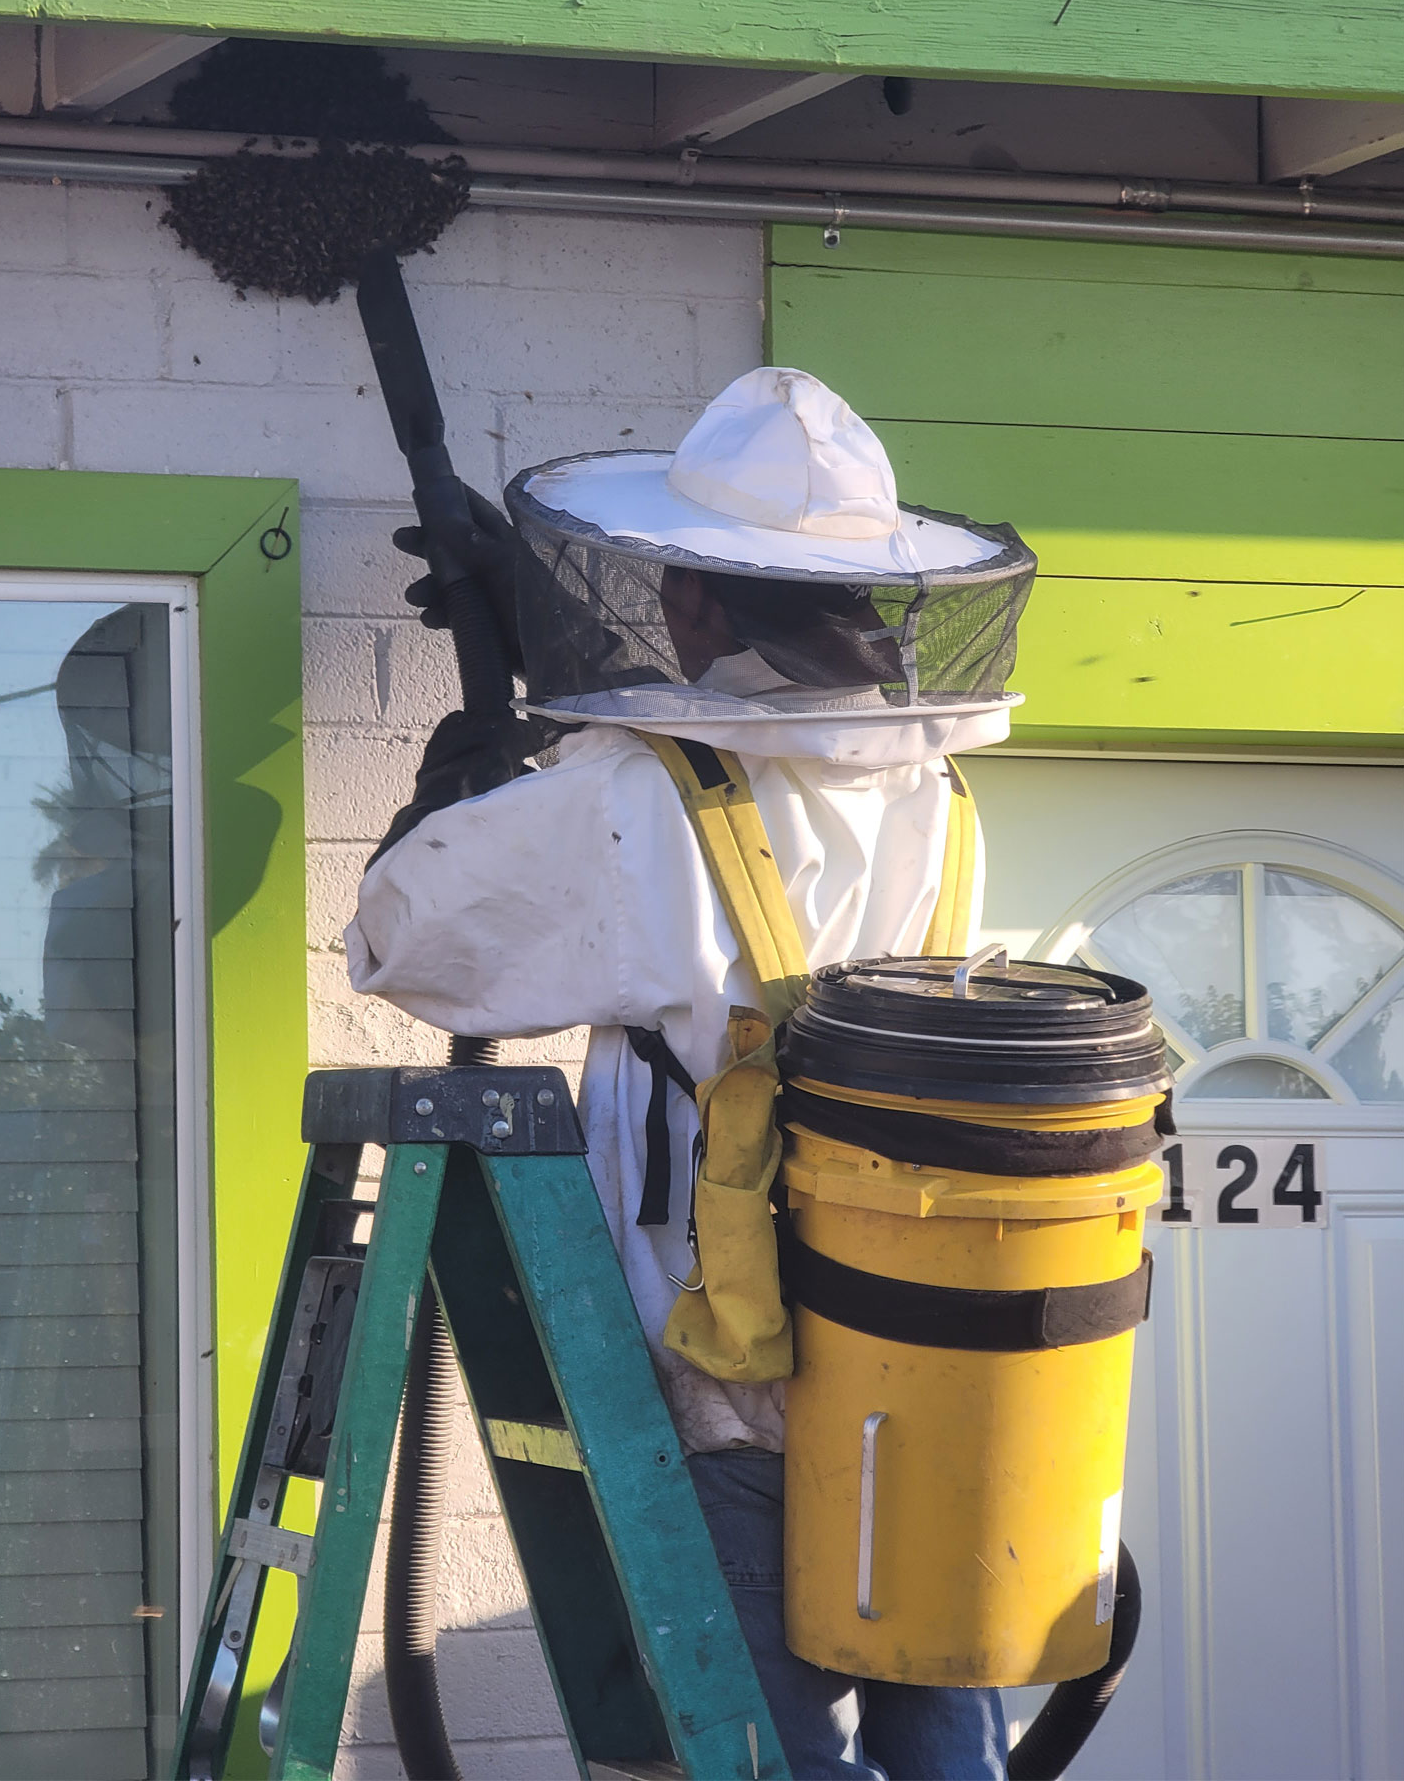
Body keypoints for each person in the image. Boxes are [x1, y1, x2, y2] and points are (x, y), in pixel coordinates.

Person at [347, 367, 1035, 1780]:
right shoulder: (944, 796)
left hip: (733, 1359)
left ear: (698, 601)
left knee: (751, 1753)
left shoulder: (637, 794)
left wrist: (457, 777)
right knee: (941, 1743)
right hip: (929, 1363)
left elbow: (400, 943)